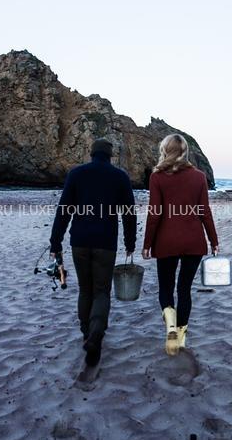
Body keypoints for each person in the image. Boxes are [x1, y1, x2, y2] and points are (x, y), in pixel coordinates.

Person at [50, 138, 136, 367]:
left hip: (79, 241)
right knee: (101, 291)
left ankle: (86, 332)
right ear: (110, 155)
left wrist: (55, 241)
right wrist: (130, 242)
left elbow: (63, 210)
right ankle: (96, 333)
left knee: (85, 289)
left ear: (91, 153)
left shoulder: (76, 174)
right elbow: (129, 214)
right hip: (105, 243)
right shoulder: (120, 177)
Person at [142, 134, 218, 356]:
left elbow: (154, 214)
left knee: (166, 288)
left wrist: (147, 244)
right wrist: (213, 240)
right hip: (194, 241)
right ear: (185, 152)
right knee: (184, 289)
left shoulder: (157, 177)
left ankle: (171, 327)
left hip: (166, 242)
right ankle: (181, 337)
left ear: (165, 150)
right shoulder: (199, 177)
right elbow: (205, 212)